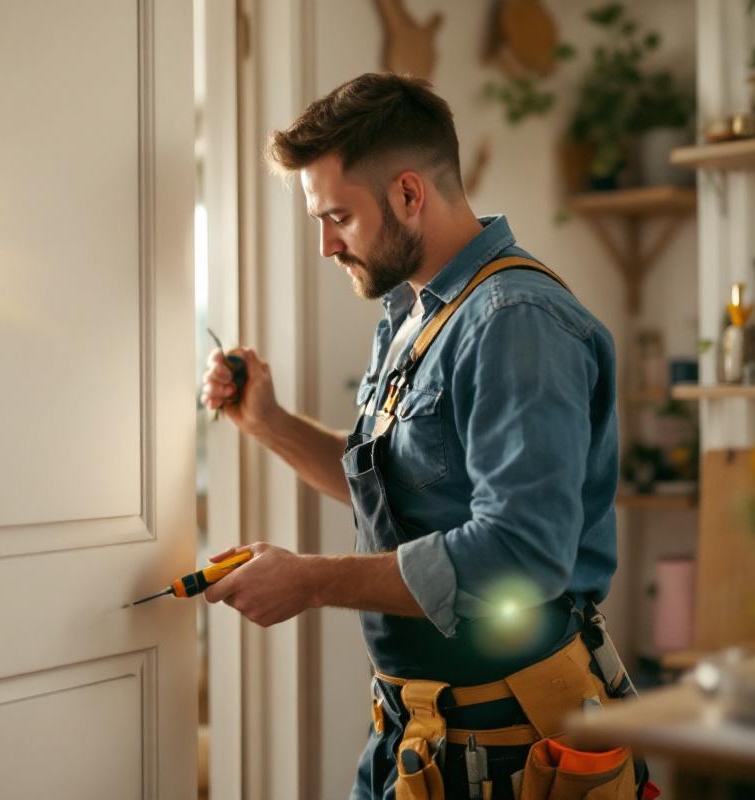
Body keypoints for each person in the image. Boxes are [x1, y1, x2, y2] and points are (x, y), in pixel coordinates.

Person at [199, 73, 648, 800]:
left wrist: (310, 580)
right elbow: (401, 490)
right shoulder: (415, 313)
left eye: (338, 216)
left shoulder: (513, 322)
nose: (325, 245)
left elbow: (520, 554)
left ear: (409, 194)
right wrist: (269, 423)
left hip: (515, 748)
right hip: (419, 736)